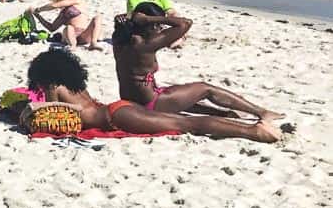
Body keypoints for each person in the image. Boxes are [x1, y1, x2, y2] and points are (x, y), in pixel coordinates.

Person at [25, 47, 279, 143]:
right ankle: (252, 125)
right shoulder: (75, 85)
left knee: (187, 123)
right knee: (184, 121)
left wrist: (26, 110)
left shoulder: (53, 86)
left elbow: (48, 114)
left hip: (115, 117)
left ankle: (254, 131)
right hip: (117, 108)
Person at [112, 6, 282, 120]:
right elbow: (185, 23)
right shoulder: (145, 45)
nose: (160, 29)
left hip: (131, 101)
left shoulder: (119, 40)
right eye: (158, 26)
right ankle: (261, 112)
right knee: (205, 88)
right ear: (146, 25)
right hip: (151, 104)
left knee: (190, 101)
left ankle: (226, 114)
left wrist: (129, 19)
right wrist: (150, 19)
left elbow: (121, 25)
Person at [26, 0, 104, 49]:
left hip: (84, 34)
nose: (53, 1)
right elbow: (52, 28)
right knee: (69, 27)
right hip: (70, 35)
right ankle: (72, 46)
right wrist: (38, 16)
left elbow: (54, 5)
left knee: (98, 17)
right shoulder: (63, 13)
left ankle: (93, 43)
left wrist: (38, 9)